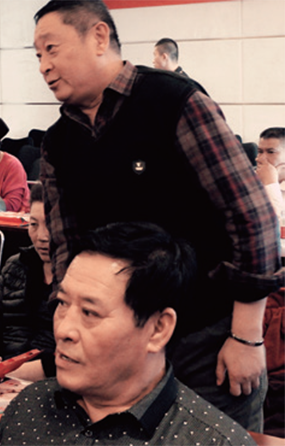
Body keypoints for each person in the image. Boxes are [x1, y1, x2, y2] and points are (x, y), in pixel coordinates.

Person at [34, 0, 282, 431]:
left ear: (98, 37)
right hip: (118, 349)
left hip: (206, 338)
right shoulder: (58, 141)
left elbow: (252, 216)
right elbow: (66, 250)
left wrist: (246, 336)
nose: (44, 66)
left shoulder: (174, 101)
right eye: (38, 55)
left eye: (51, 49)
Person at [0, 222, 258, 446]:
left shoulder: (212, 441)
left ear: (158, 329)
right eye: (62, 303)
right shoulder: (28, 407)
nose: (63, 330)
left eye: (89, 312)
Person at [0, 183, 55, 364]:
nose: (41, 236)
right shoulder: (16, 266)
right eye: (33, 224)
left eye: (51, 226)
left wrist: (14, 369)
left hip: (52, 376)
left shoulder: (82, 276)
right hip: (3, 369)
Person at [257, 127, 285, 210]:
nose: (259, 159)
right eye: (260, 152)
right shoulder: (251, 178)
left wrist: (270, 184)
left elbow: (277, 218)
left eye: (271, 152)